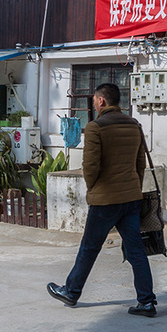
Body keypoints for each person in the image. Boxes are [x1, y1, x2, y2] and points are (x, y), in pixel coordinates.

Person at [48, 82, 157, 316]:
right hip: (131, 198)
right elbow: (139, 164)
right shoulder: (134, 125)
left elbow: (90, 167)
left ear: (102, 101)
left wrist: (95, 188)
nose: (96, 104)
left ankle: (71, 291)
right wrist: (133, 187)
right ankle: (146, 301)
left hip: (105, 200)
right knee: (136, 249)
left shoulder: (96, 127)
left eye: (96, 100)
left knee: (89, 247)